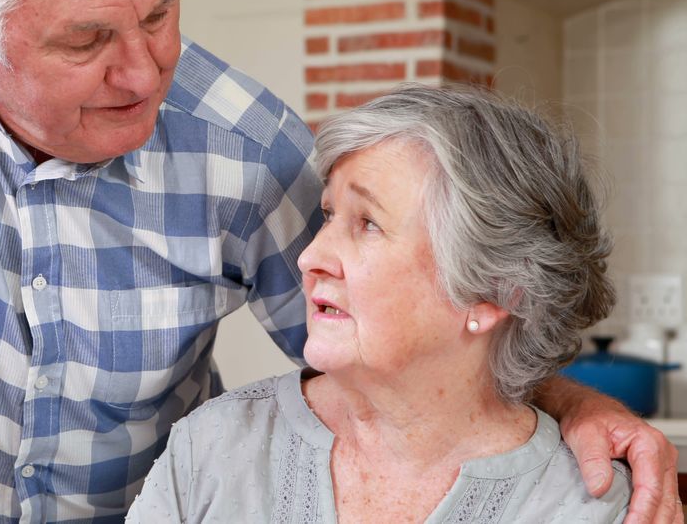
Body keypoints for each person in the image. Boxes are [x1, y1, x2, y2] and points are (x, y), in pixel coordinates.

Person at [0, 0, 679, 521]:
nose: (144, 73)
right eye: (87, 41)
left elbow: (419, 316)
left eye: (161, 10)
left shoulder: (249, 147)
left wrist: (563, 400)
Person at [127, 85, 650, 523]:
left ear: (492, 292)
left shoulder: (584, 503)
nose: (309, 257)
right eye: (329, 214)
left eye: (367, 223)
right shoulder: (211, 448)